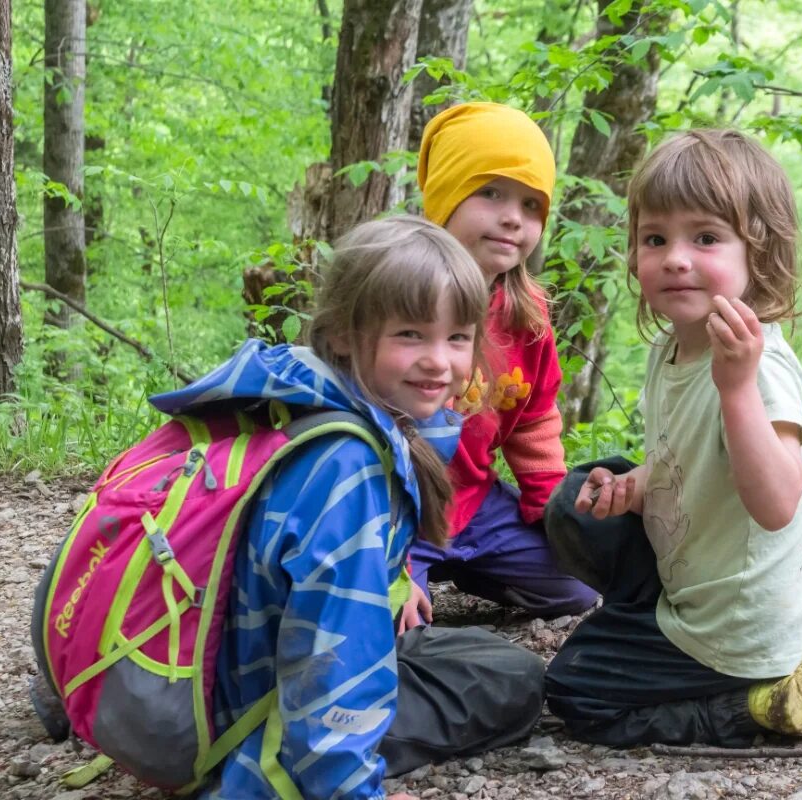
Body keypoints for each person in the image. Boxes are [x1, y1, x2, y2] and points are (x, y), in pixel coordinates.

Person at [151, 216, 545, 799]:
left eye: (458, 337)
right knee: (516, 684)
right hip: (248, 716)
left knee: (491, 657)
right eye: (410, 334)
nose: (440, 362)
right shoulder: (348, 469)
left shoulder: (288, 396)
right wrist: (352, 790)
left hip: (197, 671)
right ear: (341, 335)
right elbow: (333, 658)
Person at [542, 129, 802, 748]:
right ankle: (650, 629)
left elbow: (775, 505)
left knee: (573, 690)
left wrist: (737, 386)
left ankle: (754, 704)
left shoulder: (758, 365)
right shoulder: (672, 346)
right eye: (655, 239)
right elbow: (684, 462)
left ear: (757, 252)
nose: (676, 258)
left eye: (706, 238)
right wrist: (633, 488)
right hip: (695, 573)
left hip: (737, 627)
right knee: (575, 498)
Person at [395, 102, 598, 632]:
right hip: (395, 511)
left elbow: (532, 419)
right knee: (388, 618)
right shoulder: (392, 296)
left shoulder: (527, 316)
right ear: (444, 196)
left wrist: (550, 510)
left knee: (580, 589)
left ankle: (470, 568)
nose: (514, 217)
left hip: (474, 505)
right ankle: (413, 575)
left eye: (532, 205)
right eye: (490, 193)